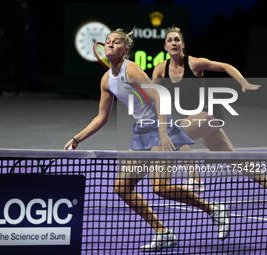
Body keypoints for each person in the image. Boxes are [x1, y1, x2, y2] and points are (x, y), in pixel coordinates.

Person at [64, 28, 231, 251]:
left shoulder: (131, 69)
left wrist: (163, 132)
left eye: (116, 42)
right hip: (141, 132)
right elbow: (102, 117)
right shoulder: (106, 80)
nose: (110, 44)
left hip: (160, 128)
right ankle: (163, 232)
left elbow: (160, 96)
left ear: (125, 49)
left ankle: (214, 209)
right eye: (107, 42)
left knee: (160, 187)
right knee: (122, 187)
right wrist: (77, 139)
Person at [152, 26, 266, 192]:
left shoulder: (195, 63)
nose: (173, 43)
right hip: (197, 118)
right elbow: (152, 92)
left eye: (177, 40)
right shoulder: (161, 69)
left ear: (182, 44)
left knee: (173, 135)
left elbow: (225, 66)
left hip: (210, 112)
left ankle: (188, 180)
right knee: (233, 158)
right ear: (165, 47)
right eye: (170, 40)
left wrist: (243, 82)